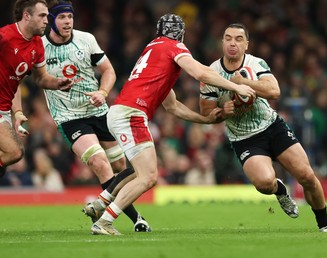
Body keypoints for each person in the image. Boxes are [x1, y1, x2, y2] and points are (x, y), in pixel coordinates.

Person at [86, 13, 255, 235]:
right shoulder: (173, 47)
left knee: (140, 171)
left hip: (122, 111)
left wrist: (204, 119)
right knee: (149, 176)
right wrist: (237, 87)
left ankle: (101, 202)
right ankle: (105, 221)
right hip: (131, 114)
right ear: (181, 34)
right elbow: (200, 72)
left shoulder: (154, 50)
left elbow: (173, 106)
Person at [199, 23, 327, 232]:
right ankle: (280, 190)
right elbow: (206, 113)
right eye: (228, 38)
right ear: (222, 42)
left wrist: (244, 84)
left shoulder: (255, 64)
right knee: (264, 183)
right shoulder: (211, 72)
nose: (232, 43)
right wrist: (223, 110)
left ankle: (325, 224)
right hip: (244, 138)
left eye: (239, 39)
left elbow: (275, 91)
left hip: (272, 127)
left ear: (246, 44)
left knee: (307, 176)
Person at [41, 0, 151, 232]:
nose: (67, 21)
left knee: (121, 166)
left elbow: (108, 70)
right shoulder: (39, 46)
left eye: (70, 17)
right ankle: (130, 219)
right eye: (61, 17)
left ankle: (101, 212)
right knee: (100, 163)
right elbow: (34, 78)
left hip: (99, 112)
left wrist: (103, 92)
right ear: (51, 19)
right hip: (69, 116)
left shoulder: (86, 39)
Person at [0, 0, 72, 178]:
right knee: (14, 152)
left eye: (47, 16)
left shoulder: (37, 45)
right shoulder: (5, 37)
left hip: (4, 109)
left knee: (12, 156)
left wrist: (57, 83)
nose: (46, 21)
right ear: (26, 16)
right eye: (42, 16)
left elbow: (40, 79)